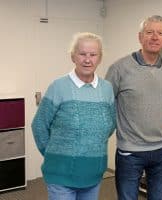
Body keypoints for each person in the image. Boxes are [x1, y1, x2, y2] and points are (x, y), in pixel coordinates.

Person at [31, 32, 116, 200]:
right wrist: (52, 155)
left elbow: (111, 124)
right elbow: (39, 125)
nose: (87, 59)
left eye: (93, 55)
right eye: (82, 54)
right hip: (60, 174)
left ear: (99, 58)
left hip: (94, 173)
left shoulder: (106, 88)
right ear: (73, 57)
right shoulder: (59, 86)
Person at [105, 15, 162, 200]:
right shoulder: (119, 68)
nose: (155, 37)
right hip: (130, 152)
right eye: (149, 32)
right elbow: (104, 104)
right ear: (140, 37)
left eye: (160, 33)